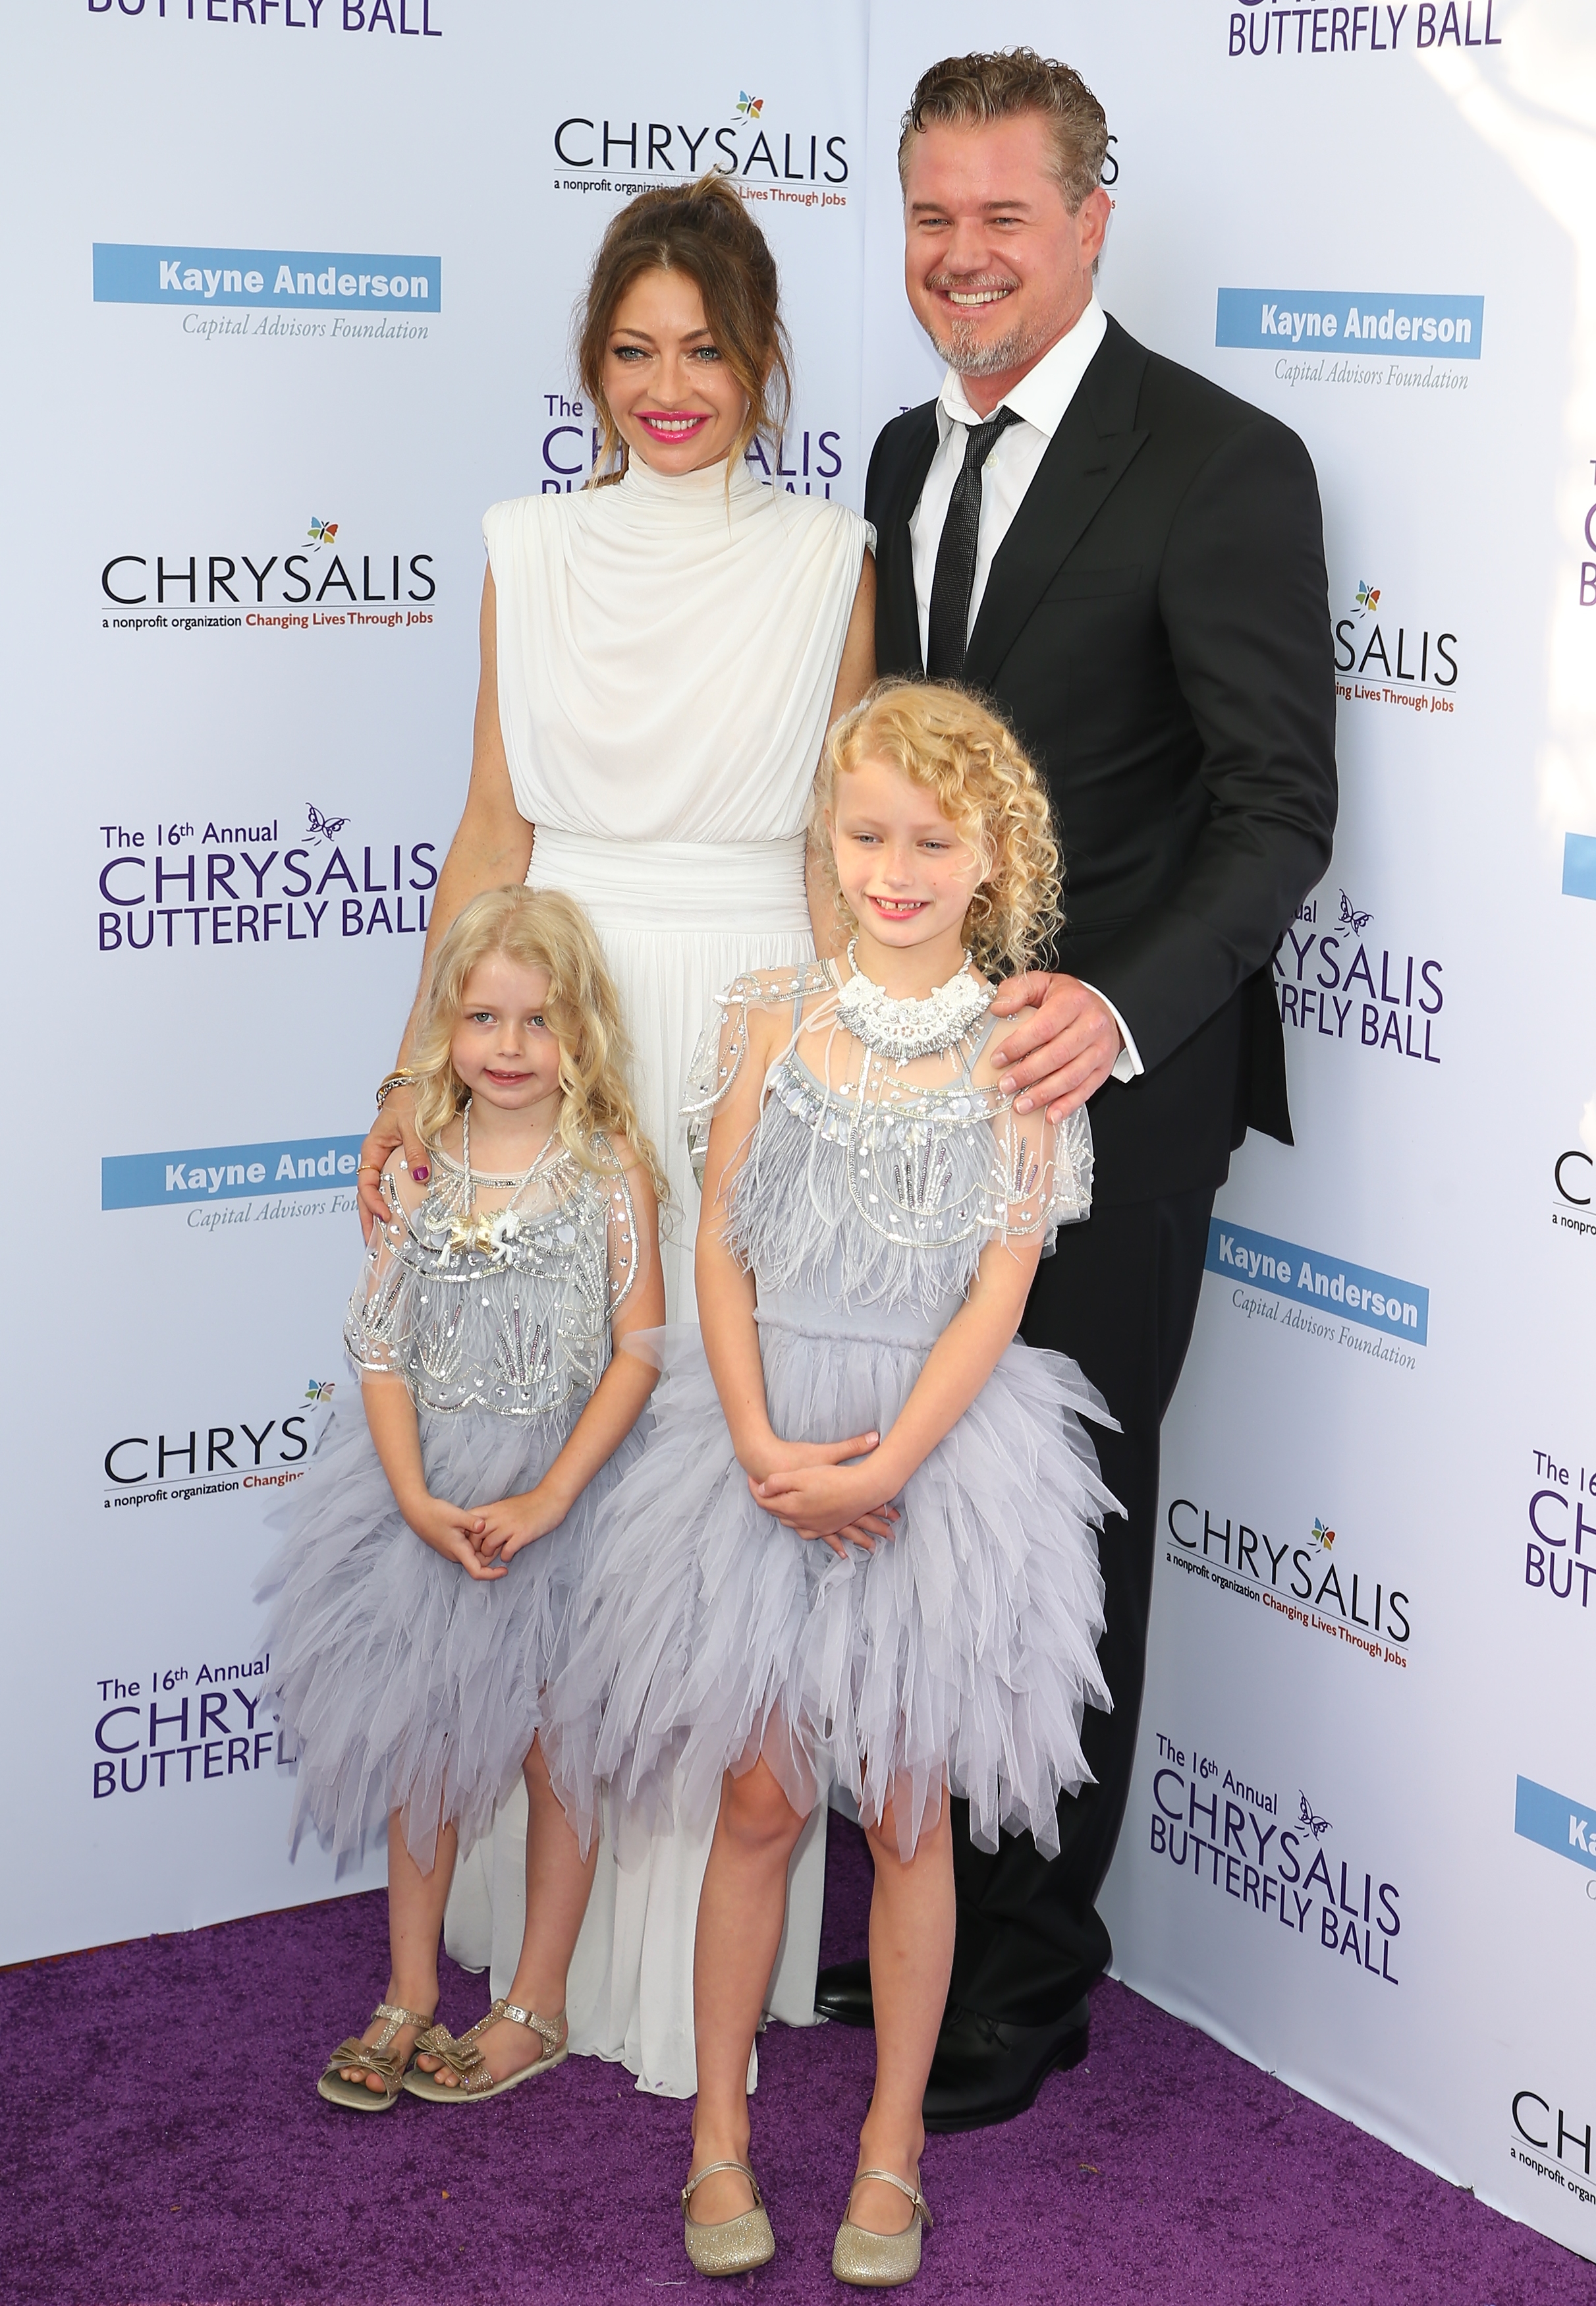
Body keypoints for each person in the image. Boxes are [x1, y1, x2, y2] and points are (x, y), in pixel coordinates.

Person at [813, 50, 1338, 2131]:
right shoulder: (894, 453)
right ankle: (923, 1911)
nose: (962, 256)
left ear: (1092, 221)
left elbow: (1278, 808)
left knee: (1066, 1522)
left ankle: (1032, 1969)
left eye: (1004, 217)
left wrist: (1113, 1013)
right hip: (910, 1091)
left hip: (1111, 1088)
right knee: (918, 1496)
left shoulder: (1224, 462)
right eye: (931, 217)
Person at [354, 177, 880, 2099]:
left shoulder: (830, 556)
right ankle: (529, 1942)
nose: (672, 387)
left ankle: (680, 1977)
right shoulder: (531, 547)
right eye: (637, 351)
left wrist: (839, 1083)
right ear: (592, 364)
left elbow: (834, 855)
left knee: (702, 1469)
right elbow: (493, 823)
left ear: (761, 363)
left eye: (707, 352)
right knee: (535, 1450)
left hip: (745, 1022)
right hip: (554, 1016)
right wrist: (414, 1072)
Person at [551, 682, 1118, 2285]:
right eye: (868, 836)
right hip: (760, 1438)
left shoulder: (1019, 1053)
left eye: (934, 842)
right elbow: (721, 1247)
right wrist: (755, 1443)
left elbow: (1001, 1290)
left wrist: (892, 1463)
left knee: (913, 1813)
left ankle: (891, 2145)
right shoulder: (768, 1016)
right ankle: (717, 2130)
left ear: (995, 857)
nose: (896, 869)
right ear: (829, 841)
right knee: (758, 1796)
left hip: (935, 1460)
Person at [259, 886, 664, 2110]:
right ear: (445, 1027)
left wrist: (551, 1495)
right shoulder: (421, 1169)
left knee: (560, 1745)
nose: (508, 1045)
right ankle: (408, 1990)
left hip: (568, 1496)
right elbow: (380, 1349)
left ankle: (536, 2000)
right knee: (419, 1738)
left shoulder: (609, 1170)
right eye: (483, 1017)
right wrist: (412, 1496)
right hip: (426, 1492)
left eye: (537, 1020)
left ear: (582, 1032)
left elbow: (639, 1352)